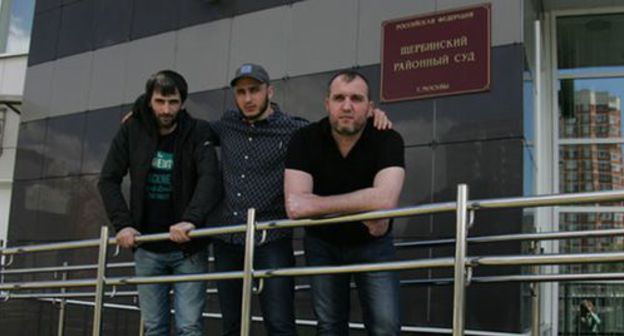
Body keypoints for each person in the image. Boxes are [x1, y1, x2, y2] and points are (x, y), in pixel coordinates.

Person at [209, 63, 393, 336]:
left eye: (255, 90)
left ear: (269, 91)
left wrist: (371, 115)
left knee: (280, 323)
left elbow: (338, 126)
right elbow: (184, 128)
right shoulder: (225, 125)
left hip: (271, 238)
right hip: (228, 239)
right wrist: (143, 114)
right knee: (231, 325)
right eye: (241, 92)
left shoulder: (295, 130)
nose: (248, 99)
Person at [98, 70, 221, 336]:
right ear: (149, 100)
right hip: (146, 247)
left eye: (173, 102)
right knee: (154, 327)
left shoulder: (198, 131)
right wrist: (123, 225)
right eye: (159, 102)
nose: (166, 109)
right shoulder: (132, 129)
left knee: (189, 327)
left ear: (183, 101)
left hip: (189, 246)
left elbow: (210, 178)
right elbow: (108, 179)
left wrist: (192, 219)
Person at [284, 70, 405, 335]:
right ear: (327, 103)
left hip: (374, 245)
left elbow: (384, 200)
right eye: (339, 98)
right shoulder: (304, 140)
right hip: (322, 245)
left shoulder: (388, 139)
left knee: (385, 326)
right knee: (329, 326)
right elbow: (295, 206)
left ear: (370, 107)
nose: (347, 106)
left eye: (356, 98)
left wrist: (315, 204)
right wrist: (364, 205)